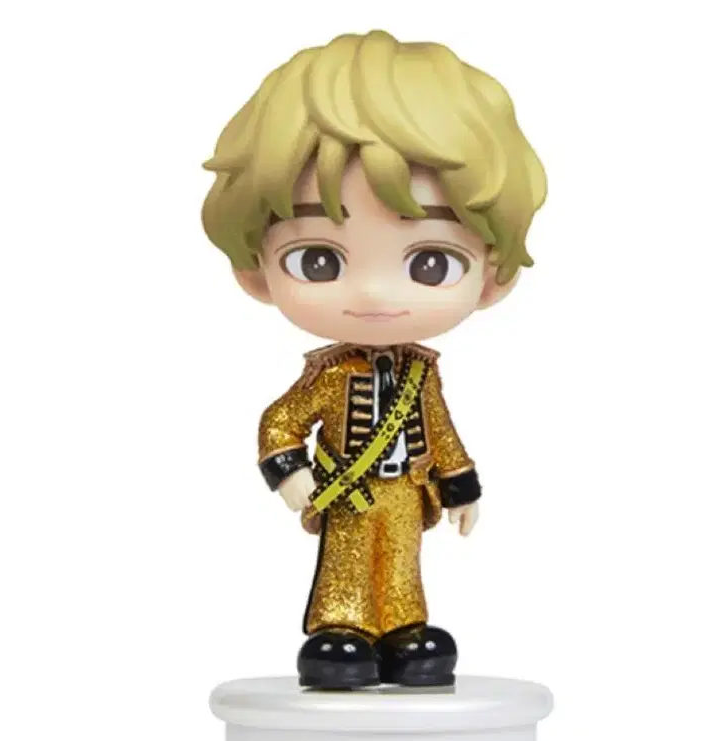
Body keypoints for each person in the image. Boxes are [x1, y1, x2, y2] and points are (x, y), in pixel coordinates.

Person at [201, 29, 546, 688]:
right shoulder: (329, 375)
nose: (375, 294)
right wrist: (290, 472)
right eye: (318, 260)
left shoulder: (422, 373)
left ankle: (403, 628)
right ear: (256, 269)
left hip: (406, 492)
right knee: (349, 566)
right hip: (349, 490)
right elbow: (282, 420)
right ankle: (344, 628)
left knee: (401, 564)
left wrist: (460, 484)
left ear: (493, 276)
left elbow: (438, 428)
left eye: (431, 262)